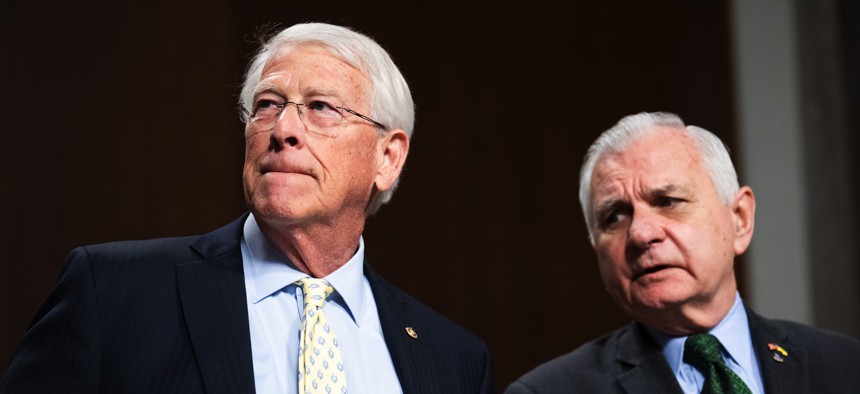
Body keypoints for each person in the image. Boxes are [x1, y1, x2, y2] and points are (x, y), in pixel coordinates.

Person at [1, 22, 495, 393]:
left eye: (321, 107)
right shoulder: (113, 294)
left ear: (387, 158)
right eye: (267, 104)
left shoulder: (454, 360)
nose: (283, 129)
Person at [506, 112, 860, 393]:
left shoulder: (845, 366)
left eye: (668, 202)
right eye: (614, 217)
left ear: (739, 219)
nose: (641, 234)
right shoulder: (548, 391)